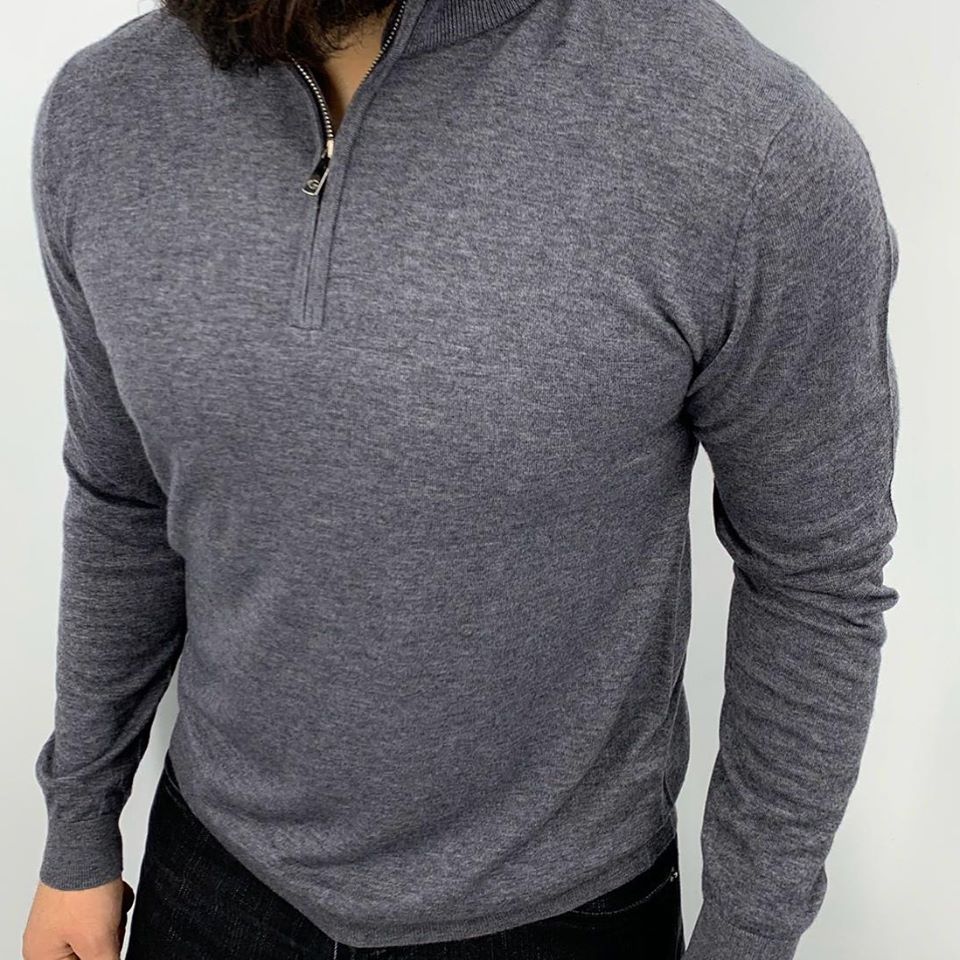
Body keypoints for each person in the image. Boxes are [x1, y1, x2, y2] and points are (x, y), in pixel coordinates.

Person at [20, 0, 901, 958]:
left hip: (558, 917)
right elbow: (123, 498)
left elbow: (813, 576)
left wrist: (747, 938)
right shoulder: (109, 111)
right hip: (209, 879)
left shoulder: (745, 140)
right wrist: (79, 828)